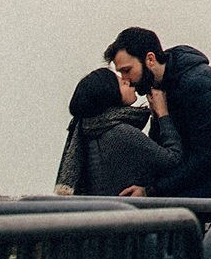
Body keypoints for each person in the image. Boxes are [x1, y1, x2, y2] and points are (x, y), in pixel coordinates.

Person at [106, 26, 211, 198]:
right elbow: (163, 154)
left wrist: (151, 190)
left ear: (150, 59)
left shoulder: (198, 84)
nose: (125, 80)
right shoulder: (163, 89)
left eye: (127, 70)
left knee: (161, 209)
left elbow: (204, 158)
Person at [54, 65, 181, 197]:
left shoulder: (91, 129)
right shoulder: (120, 132)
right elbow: (172, 159)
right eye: (121, 82)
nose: (127, 81)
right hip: (124, 213)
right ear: (110, 94)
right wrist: (163, 113)